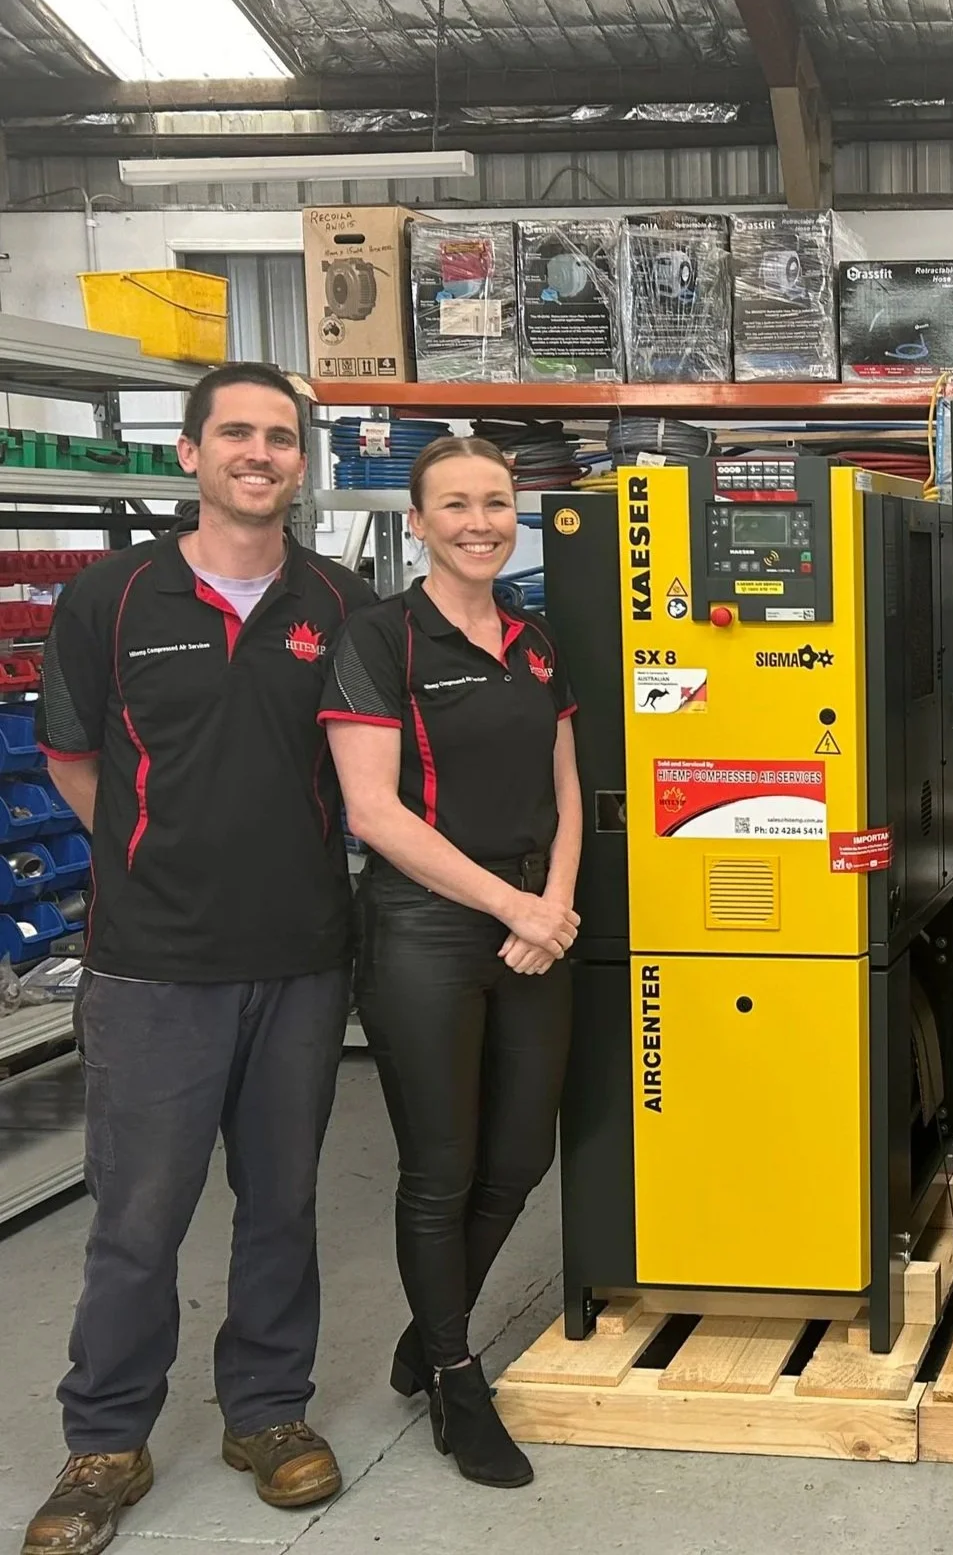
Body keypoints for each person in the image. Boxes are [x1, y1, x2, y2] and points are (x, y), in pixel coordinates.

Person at [22, 363, 376, 1555]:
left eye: (280, 437)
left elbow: (365, 770)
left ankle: (267, 1412)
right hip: (153, 965)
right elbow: (74, 759)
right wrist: (153, 859)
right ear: (189, 453)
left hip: (300, 954)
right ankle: (106, 1438)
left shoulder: (341, 601)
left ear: (300, 462)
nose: (259, 453)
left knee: (281, 1201)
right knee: (139, 1215)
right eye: (236, 433)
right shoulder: (112, 597)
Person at [320, 434, 581, 1489]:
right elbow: (374, 811)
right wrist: (514, 904)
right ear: (419, 521)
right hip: (424, 928)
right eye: (457, 505)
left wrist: (552, 905)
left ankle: (424, 1337)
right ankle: (455, 1374)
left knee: (520, 1159)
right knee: (441, 1170)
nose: (481, 522)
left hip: (533, 923)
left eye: (496, 502)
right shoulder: (380, 638)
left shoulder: (534, 638)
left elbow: (567, 787)